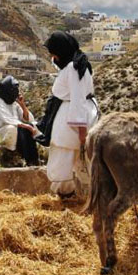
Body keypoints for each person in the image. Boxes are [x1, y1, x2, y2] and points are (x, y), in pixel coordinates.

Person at [42, 31, 100, 198]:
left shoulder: (73, 69)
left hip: (72, 122)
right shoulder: (75, 65)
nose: (52, 56)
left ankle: (66, 196)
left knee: (64, 158)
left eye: (53, 51)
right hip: (73, 117)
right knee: (74, 159)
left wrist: (81, 130)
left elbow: (77, 98)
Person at [0, 76, 40, 166]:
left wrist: (22, 105)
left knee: (33, 125)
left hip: (10, 131)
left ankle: (32, 159)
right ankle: (10, 155)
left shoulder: (14, 102)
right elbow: (8, 119)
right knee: (13, 128)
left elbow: (27, 119)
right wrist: (27, 126)